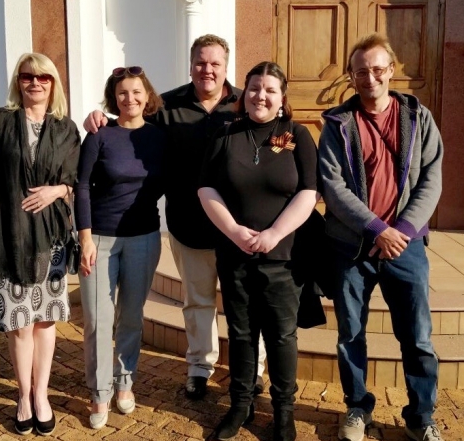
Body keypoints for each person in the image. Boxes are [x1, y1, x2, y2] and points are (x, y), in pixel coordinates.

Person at [83, 34, 267, 400]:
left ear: (226, 67)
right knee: (198, 301)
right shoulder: (167, 106)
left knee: (244, 302)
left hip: (240, 228)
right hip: (188, 224)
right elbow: (130, 119)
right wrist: (99, 117)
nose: (207, 70)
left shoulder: (244, 103)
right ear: (191, 64)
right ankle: (200, 367)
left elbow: (273, 128)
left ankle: (252, 367)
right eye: (200, 62)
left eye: (215, 63)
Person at [317, 33, 444, 441]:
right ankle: (357, 407)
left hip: (406, 247)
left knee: (418, 336)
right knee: (350, 334)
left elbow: (431, 179)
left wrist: (400, 232)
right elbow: (333, 186)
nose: (369, 78)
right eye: (360, 72)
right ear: (351, 77)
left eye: (376, 69)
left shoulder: (418, 117)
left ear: (391, 70)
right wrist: (377, 229)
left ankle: (420, 416)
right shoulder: (338, 123)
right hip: (352, 246)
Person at [198, 61, 318, 441]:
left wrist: (275, 234)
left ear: (282, 97)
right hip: (235, 255)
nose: (260, 96)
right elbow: (206, 188)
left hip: (283, 259)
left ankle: (283, 412)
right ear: (243, 93)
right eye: (253, 88)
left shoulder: (298, 135)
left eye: (269, 89)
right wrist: (234, 231)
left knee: (282, 337)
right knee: (241, 334)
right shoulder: (226, 135)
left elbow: (309, 192)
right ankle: (240, 405)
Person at [0, 53, 80, 436]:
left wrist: (57, 190)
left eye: (43, 77)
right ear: (18, 82)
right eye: (27, 76)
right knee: (20, 324)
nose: (35, 82)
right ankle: (23, 396)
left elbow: (78, 178)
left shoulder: (65, 129)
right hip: (8, 237)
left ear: (53, 83)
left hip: (51, 238)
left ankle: (42, 395)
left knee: (45, 321)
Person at [75, 66, 166, 429]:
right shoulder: (100, 135)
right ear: (114, 98)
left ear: (147, 95)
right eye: (122, 93)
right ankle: (99, 392)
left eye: (136, 92)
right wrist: (84, 237)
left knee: (130, 316)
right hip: (99, 238)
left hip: (144, 237)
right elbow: (82, 186)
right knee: (98, 319)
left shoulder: (159, 137)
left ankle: (125, 382)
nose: (130, 98)